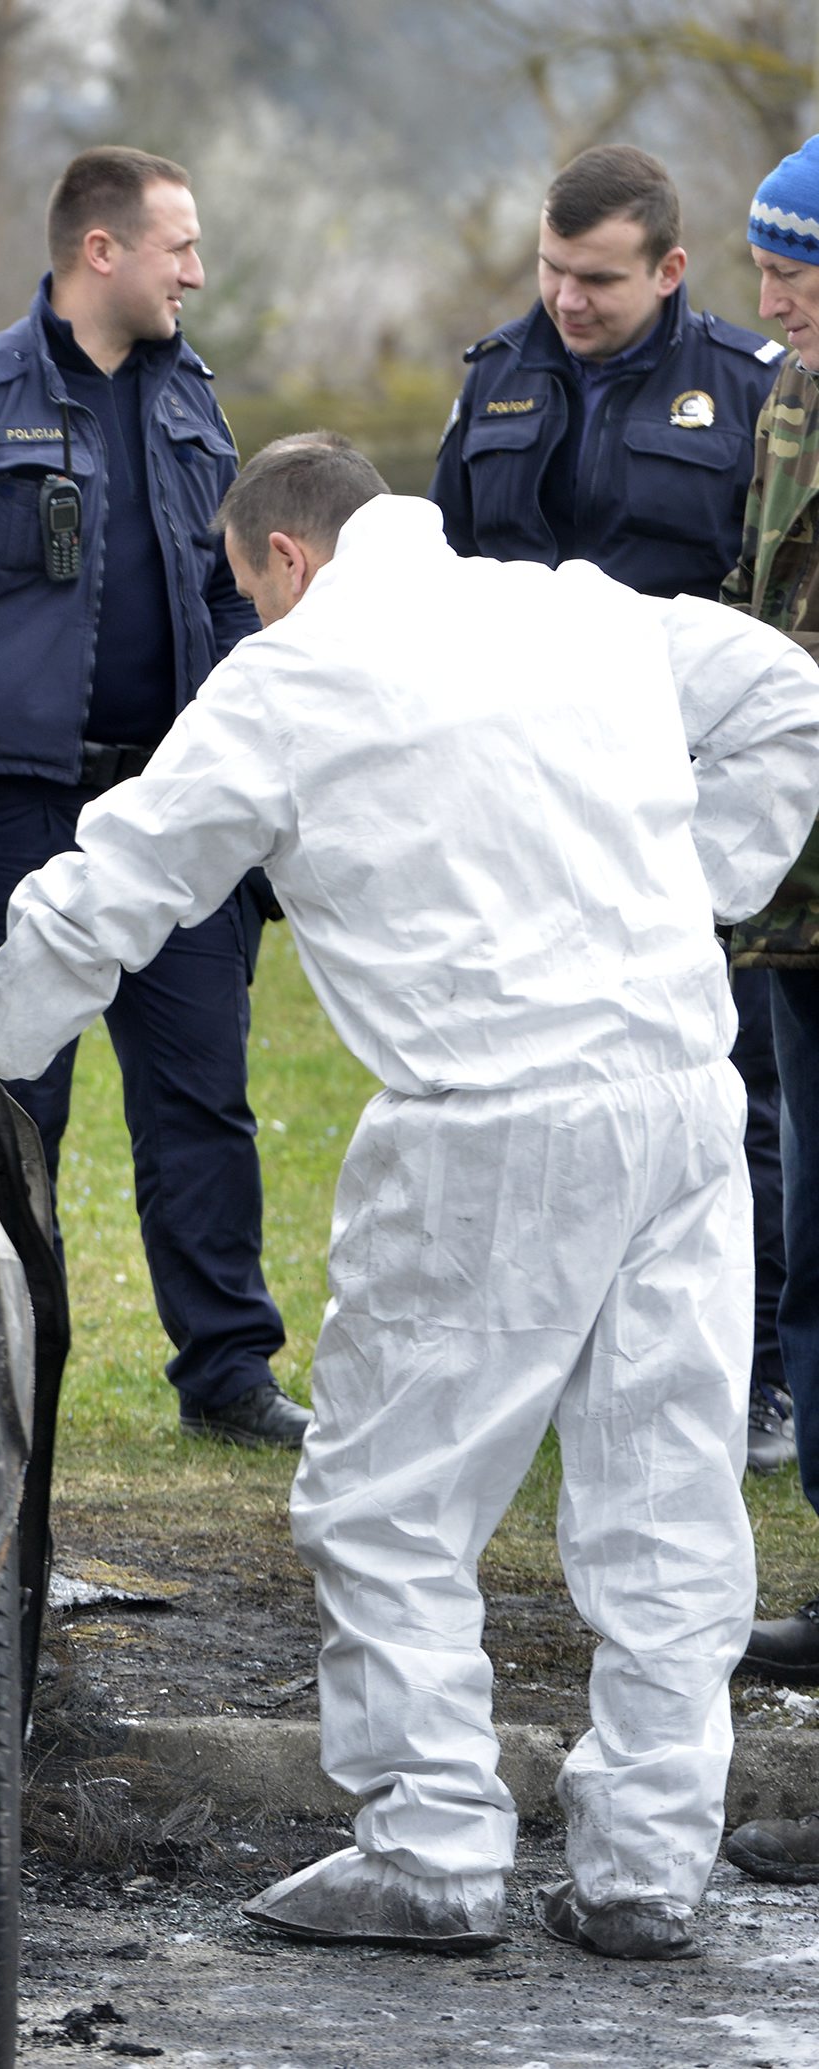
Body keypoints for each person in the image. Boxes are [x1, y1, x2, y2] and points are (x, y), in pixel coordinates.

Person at [0, 434, 819, 1960]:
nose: (254, 625)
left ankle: (428, 1842)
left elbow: (120, 880)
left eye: (250, 598)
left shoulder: (295, 681)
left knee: (391, 1497)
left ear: (284, 559)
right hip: (682, 1101)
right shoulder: (582, 610)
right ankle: (643, 1868)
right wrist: (703, 883)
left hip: (491, 1124)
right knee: (668, 1495)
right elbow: (790, 698)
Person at [0, 146, 301, 1448]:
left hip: (168, 816)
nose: (198, 274)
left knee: (200, 1094)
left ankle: (227, 1372)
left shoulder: (191, 403)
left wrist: (252, 770)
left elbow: (228, 599)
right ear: (101, 252)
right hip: (16, 817)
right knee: (10, 1095)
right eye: (181, 249)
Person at [432, 144, 797, 1480]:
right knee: (515, 1088)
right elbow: (446, 584)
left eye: (598, 279)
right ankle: (530, 1361)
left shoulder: (756, 397)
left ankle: (751, 1377)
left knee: (719, 1093)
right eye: (553, 271)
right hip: (522, 805)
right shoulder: (496, 381)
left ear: (671, 269)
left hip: (677, 806)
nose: (569, 301)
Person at [720, 134, 819, 1886]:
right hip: (800, 905)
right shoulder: (789, 401)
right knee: (812, 1252)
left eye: (796, 263)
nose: (772, 294)